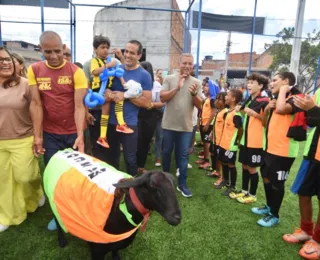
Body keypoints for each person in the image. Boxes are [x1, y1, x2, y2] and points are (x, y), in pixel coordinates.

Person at [28, 31, 87, 230]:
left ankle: (77, 211)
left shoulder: (76, 72)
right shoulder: (34, 70)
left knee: (75, 175)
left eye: (56, 51)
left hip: (73, 132)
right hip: (51, 134)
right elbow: (36, 104)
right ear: (41, 50)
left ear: (64, 49)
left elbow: (80, 106)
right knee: (54, 175)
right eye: (47, 52)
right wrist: (38, 136)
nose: (53, 56)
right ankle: (58, 213)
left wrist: (80, 135)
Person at [251, 72, 305, 227]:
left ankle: (274, 215)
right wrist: (268, 108)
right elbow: (264, 123)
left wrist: (282, 91)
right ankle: (269, 207)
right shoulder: (278, 99)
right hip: (269, 148)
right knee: (266, 177)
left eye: (275, 80)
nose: (271, 84)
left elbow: (281, 109)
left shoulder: (296, 99)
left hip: (284, 151)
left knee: (277, 183)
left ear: (286, 82)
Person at [0, 47, 44, 232]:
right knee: (4, 181)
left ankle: (36, 192)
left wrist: (38, 136)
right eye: (0, 60)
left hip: (23, 138)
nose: (5, 62)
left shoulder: (25, 84)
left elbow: (37, 109)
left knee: (26, 177)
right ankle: (10, 215)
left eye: (7, 59)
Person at [102, 40, 152, 176]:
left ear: (139, 56)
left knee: (130, 159)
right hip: (111, 122)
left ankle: (132, 190)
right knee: (112, 159)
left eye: (132, 53)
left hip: (129, 123)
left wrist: (125, 96)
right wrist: (107, 93)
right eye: (126, 51)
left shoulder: (144, 75)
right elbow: (105, 88)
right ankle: (113, 189)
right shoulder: (116, 70)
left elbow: (147, 103)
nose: (128, 55)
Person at [283, 91, 320, 259]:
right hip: (313, 150)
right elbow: (313, 122)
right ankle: (306, 230)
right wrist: (308, 110)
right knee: (304, 192)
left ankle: (318, 240)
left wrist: (313, 108)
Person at [160, 53, 203, 198]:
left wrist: (194, 94)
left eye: (190, 63)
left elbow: (200, 105)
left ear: (193, 66)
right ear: (179, 64)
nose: (187, 66)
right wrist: (177, 88)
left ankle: (182, 185)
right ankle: (165, 183)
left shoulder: (196, 82)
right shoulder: (169, 78)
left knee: (183, 156)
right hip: (168, 125)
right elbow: (162, 97)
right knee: (166, 154)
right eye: (184, 63)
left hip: (185, 127)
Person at [229, 73, 269, 204]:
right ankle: (244, 191)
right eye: (249, 82)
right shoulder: (249, 100)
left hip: (256, 142)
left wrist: (255, 114)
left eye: (253, 82)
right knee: (245, 166)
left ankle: (252, 194)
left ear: (261, 85)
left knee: (252, 168)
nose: (249, 85)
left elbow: (267, 122)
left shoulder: (264, 101)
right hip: (245, 140)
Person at [89, 35, 133, 149]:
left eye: (107, 47)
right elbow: (95, 72)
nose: (105, 50)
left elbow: (121, 70)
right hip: (99, 89)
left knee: (107, 109)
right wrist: (108, 65)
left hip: (108, 89)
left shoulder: (111, 61)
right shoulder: (95, 61)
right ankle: (121, 124)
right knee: (118, 98)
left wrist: (120, 57)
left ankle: (103, 137)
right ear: (95, 49)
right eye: (102, 47)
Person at [137, 61, 165, 173]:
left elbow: (161, 103)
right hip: (137, 113)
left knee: (145, 140)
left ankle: (141, 165)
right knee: (136, 139)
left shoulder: (156, 85)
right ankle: (133, 164)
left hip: (151, 114)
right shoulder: (134, 84)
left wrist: (150, 105)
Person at [215, 89, 243, 197]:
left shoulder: (236, 114)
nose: (225, 97)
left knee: (231, 165)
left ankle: (232, 186)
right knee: (224, 162)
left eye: (228, 95)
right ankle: (225, 181)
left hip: (230, 145)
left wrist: (237, 142)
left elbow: (240, 129)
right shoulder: (228, 112)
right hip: (223, 143)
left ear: (233, 99)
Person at [208, 92, 227, 180]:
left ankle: (221, 175)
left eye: (219, 99)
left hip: (221, 140)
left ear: (225, 101)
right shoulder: (219, 111)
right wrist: (212, 133)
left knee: (220, 158)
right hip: (215, 139)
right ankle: (216, 170)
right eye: (217, 99)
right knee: (214, 154)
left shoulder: (225, 112)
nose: (217, 101)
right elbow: (216, 124)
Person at [198, 80, 216, 170]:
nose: (204, 87)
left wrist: (208, 124)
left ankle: (207, 162)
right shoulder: (207, 99)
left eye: (207, 86)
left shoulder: (213, 99)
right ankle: (205, 159)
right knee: (205, 143)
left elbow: (213, 112)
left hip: (208, 124)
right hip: (203, 123)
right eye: (204, 86)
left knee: (207, 143)